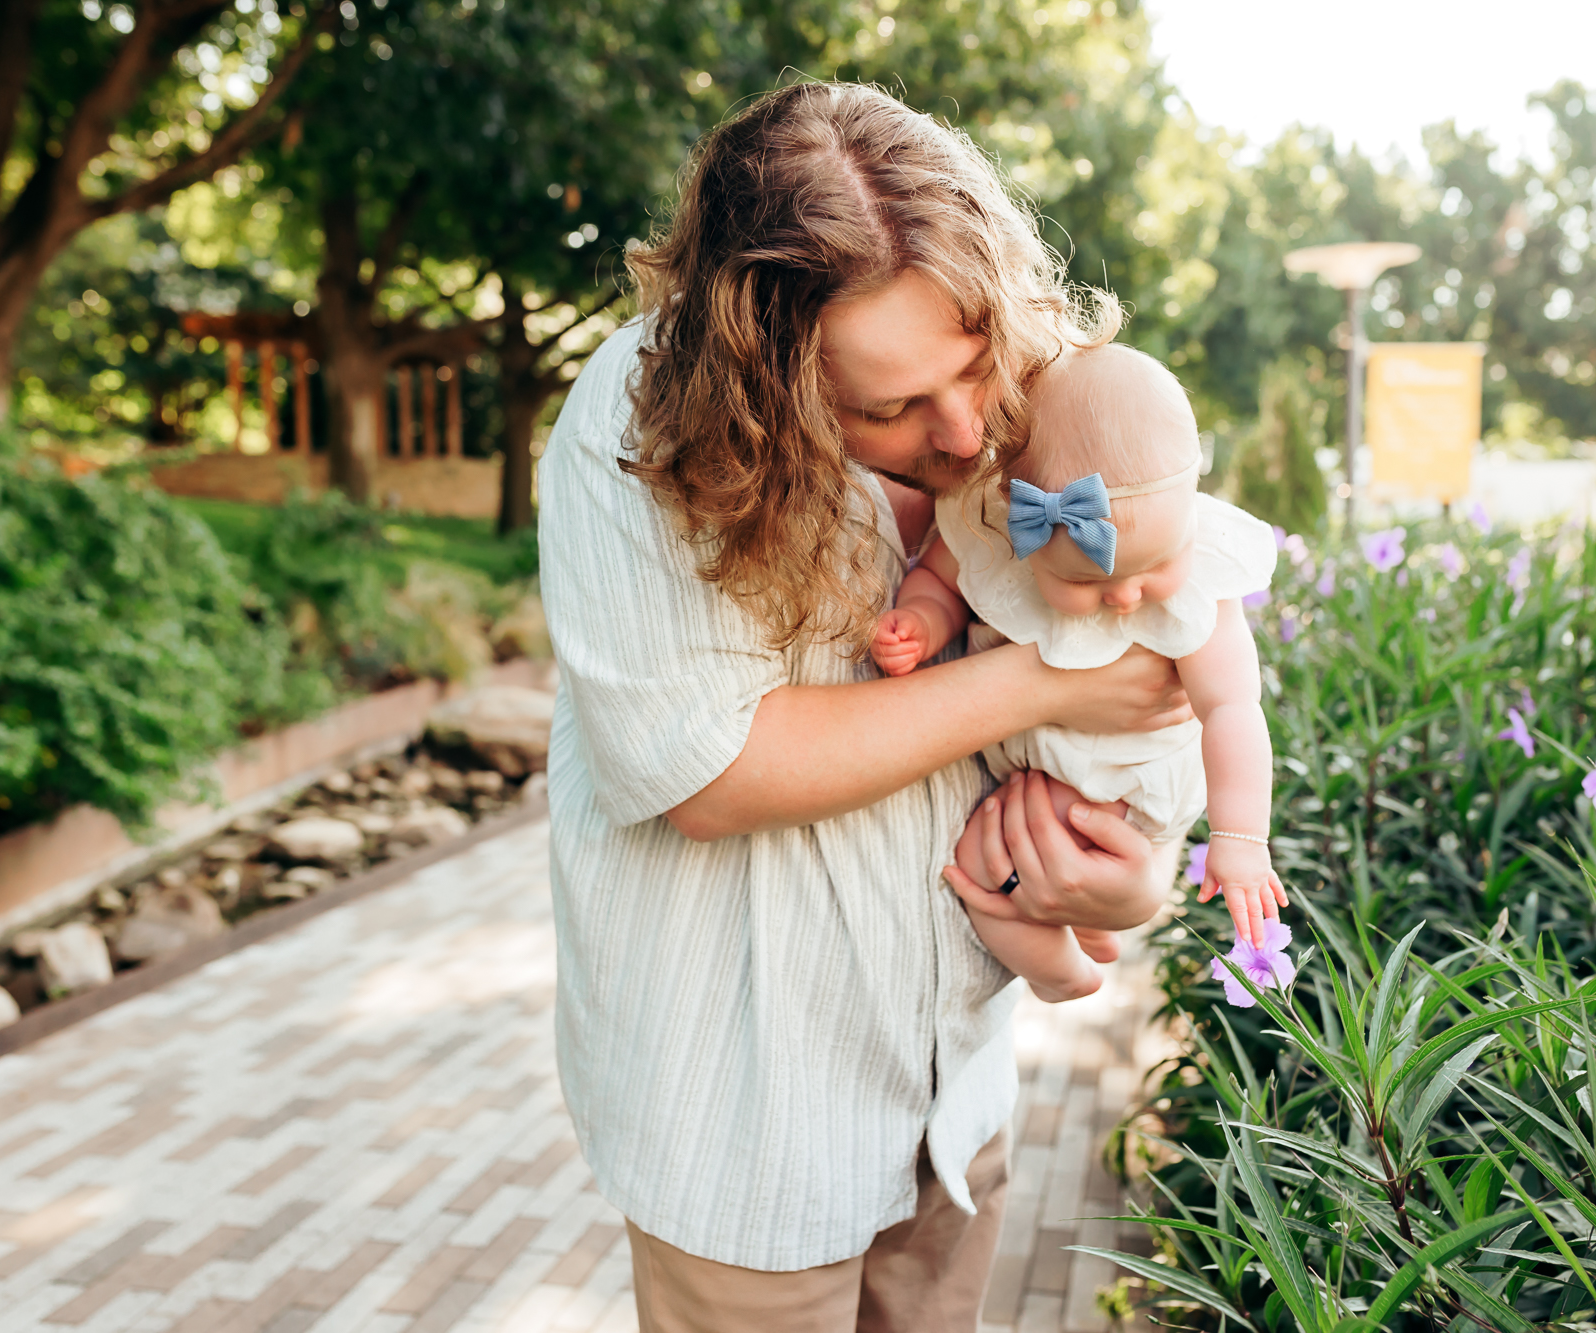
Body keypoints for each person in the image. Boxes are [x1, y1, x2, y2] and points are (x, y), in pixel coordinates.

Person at [538, 82, 1193, 1331]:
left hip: (953, 1104)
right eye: (885, 406)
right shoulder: (635, 425)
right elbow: (707, 773)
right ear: (763, 376)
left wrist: (1127, 879)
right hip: (750, 1129)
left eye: (967, 366)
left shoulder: (1050, 401)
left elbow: (1159, 673)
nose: (960, 432)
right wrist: (1040, 677)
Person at [872, 343, 1289, 1004]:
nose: (1127, 596)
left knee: (985, 857)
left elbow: (1233, 708)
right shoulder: (992, 526)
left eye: (1154, 566)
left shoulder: (1201, 582)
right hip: (1052, 769)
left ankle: (1059, 973)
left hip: (1126, 780)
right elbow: (944, 581)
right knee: (1014, 848)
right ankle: (1086, 927)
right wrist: (922, 619)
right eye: (1089, 579)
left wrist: (1240, 838)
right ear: (1018, 512)